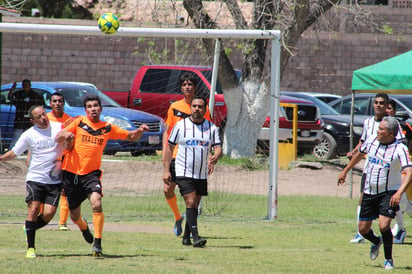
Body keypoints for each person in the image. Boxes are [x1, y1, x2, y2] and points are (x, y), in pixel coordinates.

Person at [55, 94, 149, 258]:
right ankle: (83, 227)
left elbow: (131, 136)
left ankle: (97, 244)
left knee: (96, 203)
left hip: (91, 174)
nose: (93, 109)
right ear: (86, 110)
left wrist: (139, 130)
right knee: (74, 215)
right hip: (71, 174)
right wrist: (65, 136)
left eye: (96, 106)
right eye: (90, 106)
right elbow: (58, 137)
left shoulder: (107, 128)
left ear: (101, 108)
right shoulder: (78, 122)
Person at [338, 116, 412, 270]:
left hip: (389, 192)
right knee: (363, 229)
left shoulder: (400, 149)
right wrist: (345, 170)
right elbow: (359, 153)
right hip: (369, 191)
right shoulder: (372, 140)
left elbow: (409, 172)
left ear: (391, 133)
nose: (377, 131)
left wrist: (399, 193)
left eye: (381, 129)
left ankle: (388, 260)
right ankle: (376, 241)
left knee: (384, 225)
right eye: (378, 129)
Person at [0, 105, 73, 258]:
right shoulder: (29, 135)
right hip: (35, 178)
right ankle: (31, 248)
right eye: (39, 117)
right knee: (33, 209)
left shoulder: (58, 127)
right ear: (33, 121)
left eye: (44, 114)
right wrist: (1, 158)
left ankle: (29, 227)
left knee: (49, 213)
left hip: (54, 180)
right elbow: (14, 152)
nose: (43, 118)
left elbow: (69, 133)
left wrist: (69, 137)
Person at [162, 96, 222, 247]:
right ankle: (196, 238)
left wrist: (216, 156)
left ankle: (186, 238)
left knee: (194, 205)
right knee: (190, 201)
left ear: (205, 109)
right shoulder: (180, 126)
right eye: (194, 106)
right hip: (183, 170)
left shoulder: (212, 128)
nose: (197, 109)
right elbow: (169, 148)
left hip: (201, 172)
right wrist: (166, 170)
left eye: (200, 106)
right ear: (191, 108)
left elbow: (218, 147)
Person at [346, 93, 404, 244]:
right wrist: (354, 152)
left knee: (393, 203)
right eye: (376, 102)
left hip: (389, 171)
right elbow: (363, 142)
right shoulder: (367, 122)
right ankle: (361, 233)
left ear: (386, 106)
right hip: (369, 169)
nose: (378, 105)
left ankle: (400, 228)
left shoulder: (392, 123)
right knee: (362, 199)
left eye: (381, 103)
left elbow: (399, 144)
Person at [162, 73, 212, 236]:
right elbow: (167, 133)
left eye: (190, 84)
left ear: (195, 87)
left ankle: (190, 229)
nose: (187, 87)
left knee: (192, 195)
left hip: (194, 157)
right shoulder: (174, 107)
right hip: (176, 155)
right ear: (181, 88)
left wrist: (210, 157)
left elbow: (208, 132)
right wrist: (164, 155)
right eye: (184, 84)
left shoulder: (203, 108)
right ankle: (178, 217)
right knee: (168, 189)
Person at [47, 92, 74, 231]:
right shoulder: (45, 118)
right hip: (48, 158)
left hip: (64, 158)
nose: (57, 103)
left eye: (60, 101)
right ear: (50, 103)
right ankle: (41, 217)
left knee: (65, 190)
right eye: (55, 101)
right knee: (43, 188)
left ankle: (62, 222)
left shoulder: (69, 120)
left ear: (63, 103)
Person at [386, 99, 412, 243]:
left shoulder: (404, 127)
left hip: (402, 167)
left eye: (390, 108)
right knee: (400, 201)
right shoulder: (378, 126)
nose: (387, 110)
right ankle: (399, 228)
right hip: (386, 169)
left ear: (395, 110)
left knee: (399, 199)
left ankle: (400, 229)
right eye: (386, 108)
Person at [7, 79, 45, 148]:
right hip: (20, 117)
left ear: (30, 85)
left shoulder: (35, 95)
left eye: (27, 85)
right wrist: (12, 89)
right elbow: (10, 97)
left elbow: (41, 103)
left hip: (30, 118)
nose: (25, 86)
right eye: (24, 85)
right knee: (17, 134)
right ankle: (12, 149)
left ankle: (28, 149)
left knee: (30, 134)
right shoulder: (18, 93)